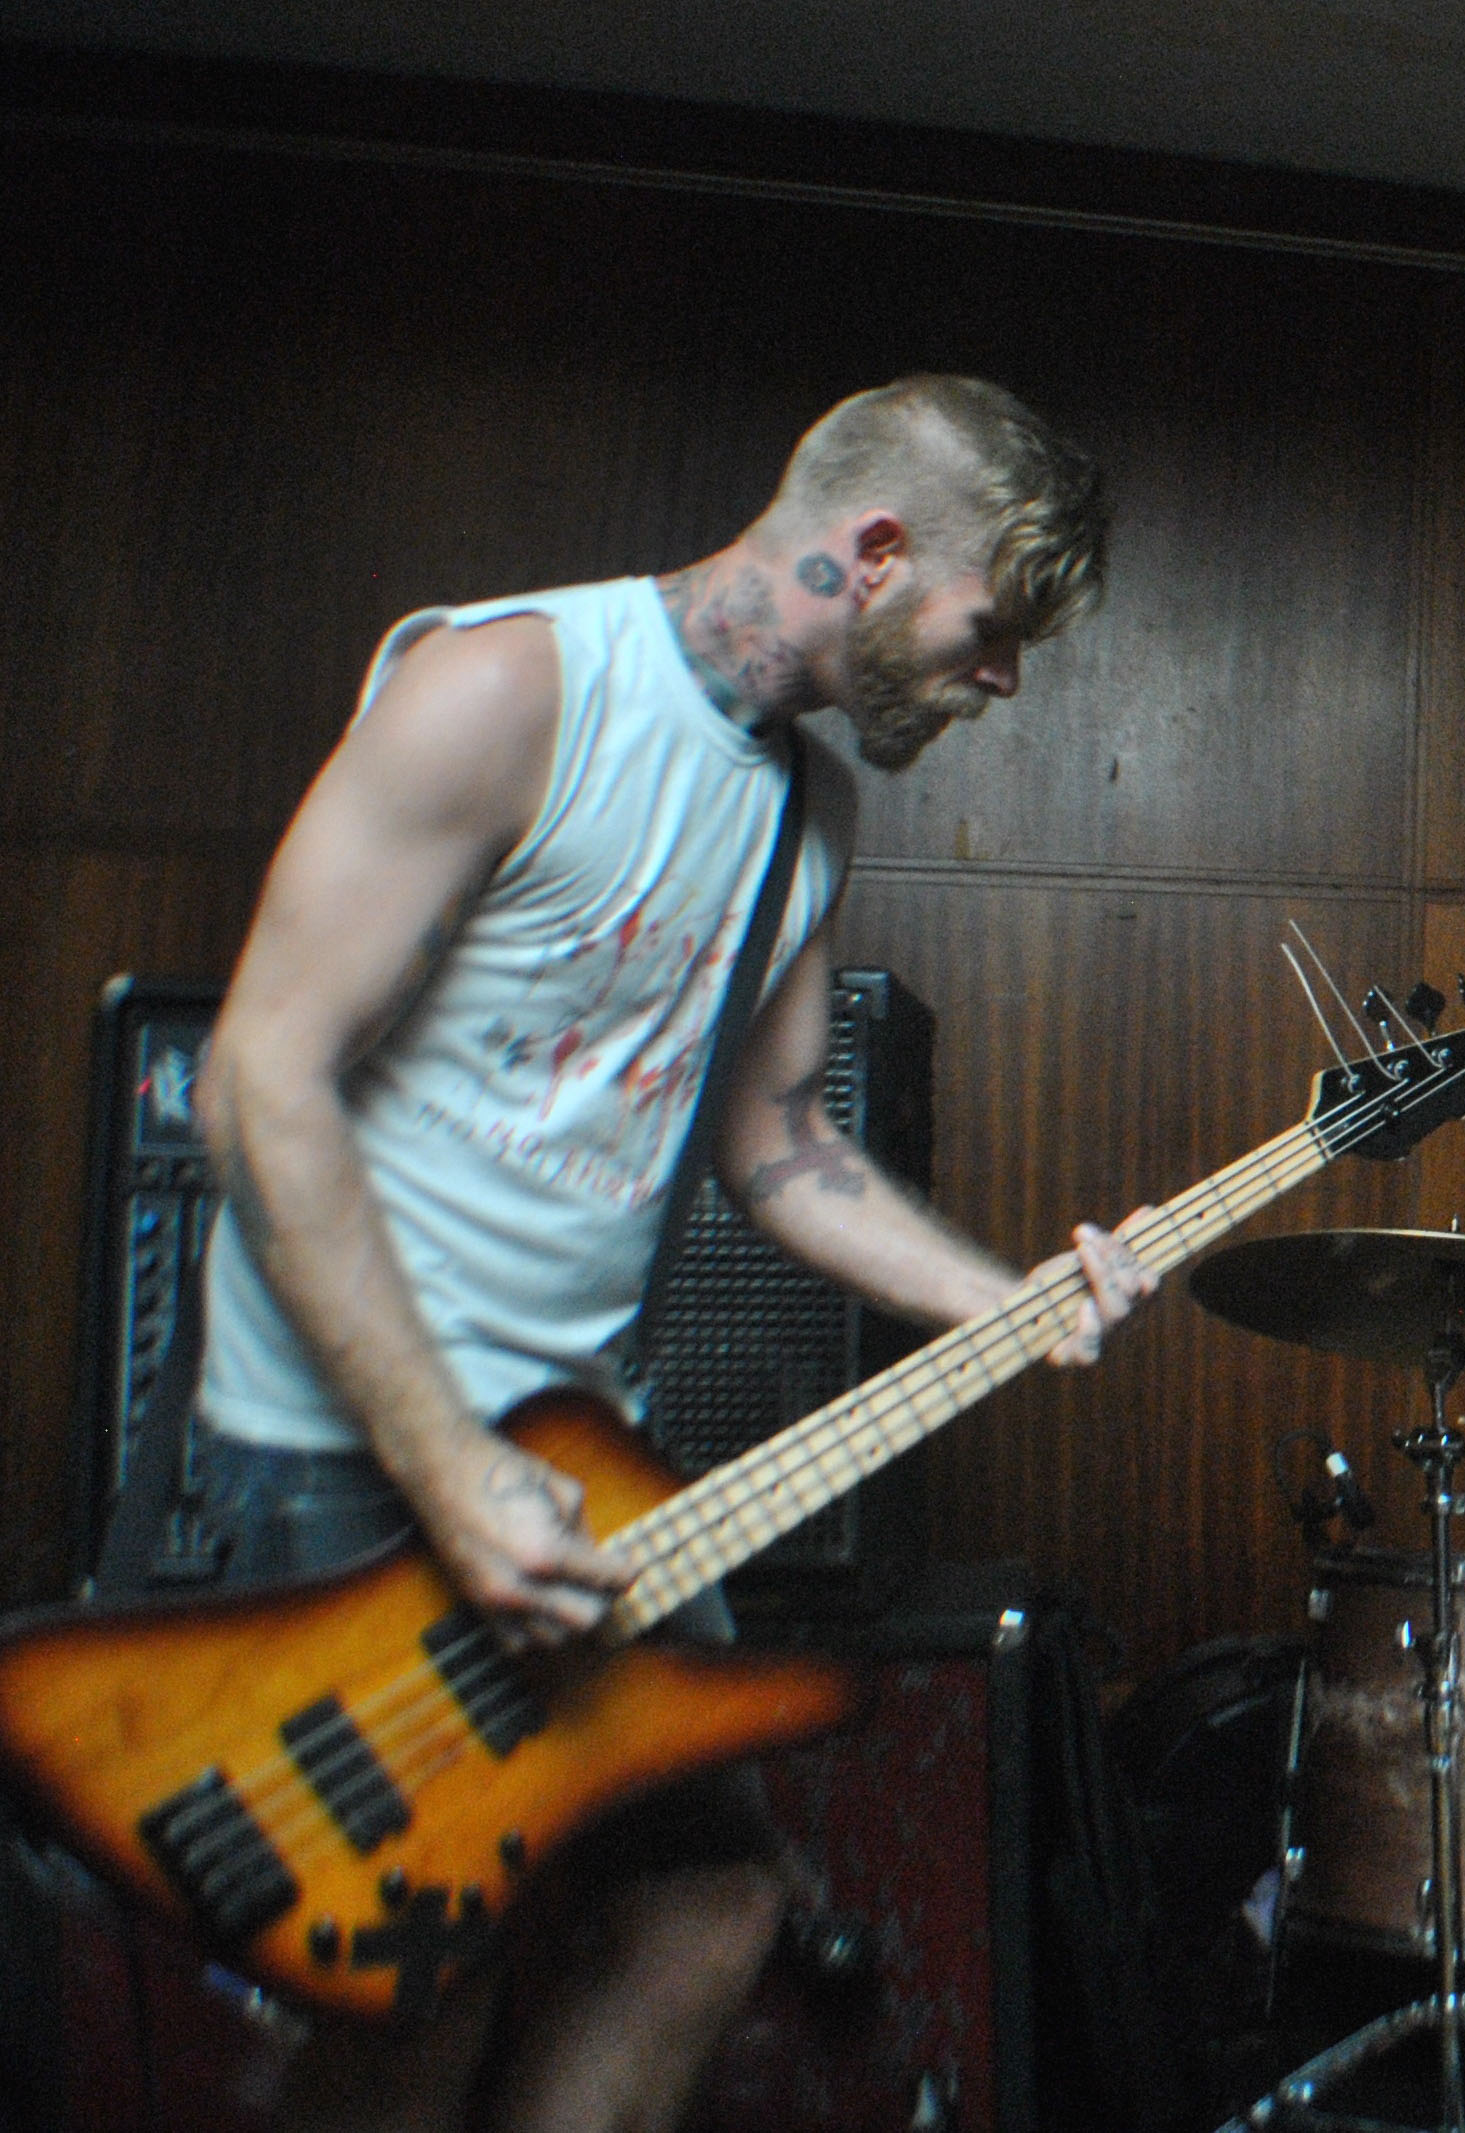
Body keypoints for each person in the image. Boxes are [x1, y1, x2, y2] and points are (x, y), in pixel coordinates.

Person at [168, 376, 1161, 2133]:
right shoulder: (507, 686)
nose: (1004, 677)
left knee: (700, 1906)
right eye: (991, 626)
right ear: (874, 551)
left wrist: (1002, 1301)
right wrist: (446, 1465)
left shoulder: (807, 811)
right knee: (425, 1966)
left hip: (579, 1450)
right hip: (346, 1434)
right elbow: (259, 1075)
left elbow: (780, 1145)